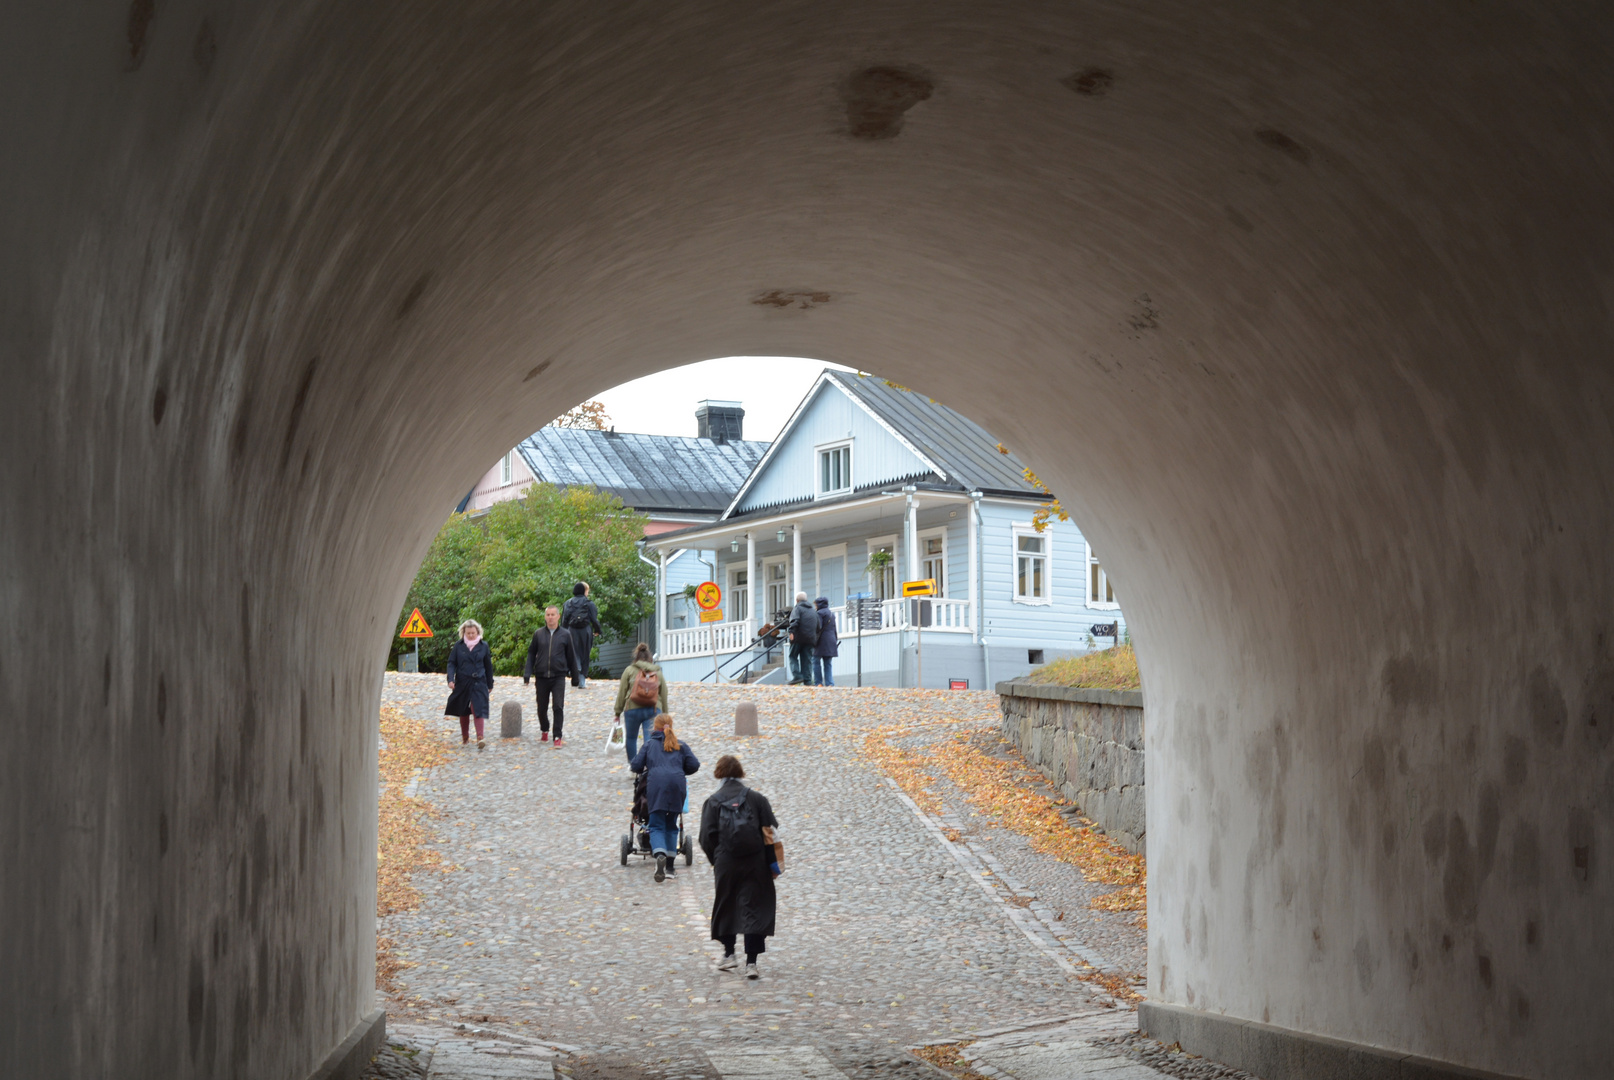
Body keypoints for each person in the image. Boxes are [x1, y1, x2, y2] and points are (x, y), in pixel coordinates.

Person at [700, 755, 780, 980]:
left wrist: (717, 859)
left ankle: (728, 955)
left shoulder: (713, 801)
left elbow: (706, 837)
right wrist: (772, 863)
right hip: (756, 862)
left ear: (719, 773)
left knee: (727, 903)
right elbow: (770, 832)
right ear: (741, 772)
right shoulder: (757, 799)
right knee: (754, 906)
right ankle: (752, 963)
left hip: (726, 861)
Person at [629, 714, 700, 882]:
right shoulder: (680, 745)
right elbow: (694, 765)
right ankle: (669, 867)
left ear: (655, 727)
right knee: (672, 825)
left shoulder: (649, 745)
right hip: (677, 786)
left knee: (656, 825)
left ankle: (659, 854)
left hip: (657, 787)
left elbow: (636, 766)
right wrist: (679, 769)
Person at [523, 605, 580, 747]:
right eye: (548, 615)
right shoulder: (538, 634)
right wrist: (527, 673)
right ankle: (544, 729)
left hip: (558, 676)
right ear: (545, 617)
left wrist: (575, 677)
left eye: (553, 614)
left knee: (558, 706)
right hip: (541, 676)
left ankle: (557, 736)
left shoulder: (565, 634)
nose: (550, 617)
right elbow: (531, 653)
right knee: (542, 707)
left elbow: (571, 656)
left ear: (558, 616)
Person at [444, 619, 495, 750]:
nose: (471, 635)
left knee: (477, 708)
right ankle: (465, 737)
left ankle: (480, 737)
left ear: (478, 632)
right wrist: (451, 679)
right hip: (463, 681)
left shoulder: (484, 646)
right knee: (463, 709)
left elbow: (488, 666)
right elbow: (451, 663)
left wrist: (490, 684)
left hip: (479, 681)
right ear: (464, 633)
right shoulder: (458, 646)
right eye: (468, 633)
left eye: (473, 633)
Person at [614, 642, 668, 761]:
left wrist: (617, 712)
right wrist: (665, 715)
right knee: (650, 738)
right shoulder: (657, 672)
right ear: (650, 658)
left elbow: (622, 692)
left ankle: (633, 767)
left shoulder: (629, 670)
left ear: (636, 657)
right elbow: (664, 694)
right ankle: (649, 767)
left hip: (632, 709)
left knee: (631, 738)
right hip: (653, 709)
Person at [561, 582, 602, 689]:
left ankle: (575, 670)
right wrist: (598, 630)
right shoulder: (590, 604)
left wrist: (562, 634)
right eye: (587, 591)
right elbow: (594, 619)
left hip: (571, 631)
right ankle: (582, 680)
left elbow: (564, 621)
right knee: (585, 654)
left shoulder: (567, 603)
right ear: (584, 591)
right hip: (585, 631)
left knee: (573, 653)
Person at [786, 591, 818, 685]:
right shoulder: (813, 611)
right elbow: (818, 626)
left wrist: (791, 632)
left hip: (798, 638)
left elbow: (795, 621)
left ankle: (797, 676)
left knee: (793, 656)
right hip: (810, 639)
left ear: (797, 600)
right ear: (806, 600)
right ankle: (808, 680)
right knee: (807, 660)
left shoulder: (797, 609)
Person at [812, 596, 838, 687]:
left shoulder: (819, 613)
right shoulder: (831, 614)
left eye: (815, 604)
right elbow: (834, 629)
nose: (815, 606)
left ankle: (818, 682)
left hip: (820, 641)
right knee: (828, 663)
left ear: (819, 604)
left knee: (815, 661)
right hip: (831, 640)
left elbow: (818, 627)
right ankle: (830, 683)